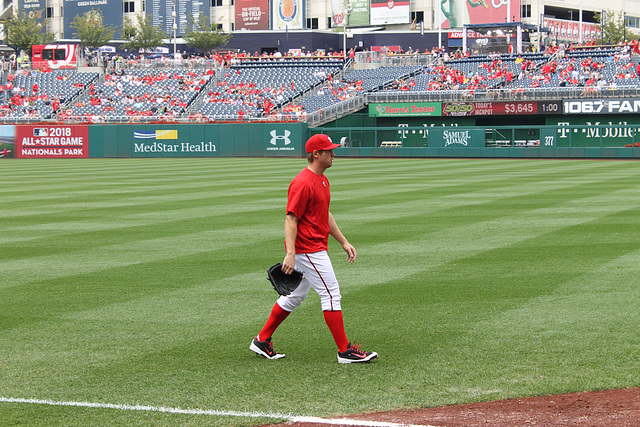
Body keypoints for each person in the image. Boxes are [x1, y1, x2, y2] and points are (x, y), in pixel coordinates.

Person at [250, 134, 378, 364]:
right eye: (329, 151)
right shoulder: (302, 182)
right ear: (316, 154)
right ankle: (344, 351)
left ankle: (262, 339)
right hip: (308, 249)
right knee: (331, 294)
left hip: (313, 247)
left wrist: (343, 241)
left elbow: (324, 214)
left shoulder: (322, 180)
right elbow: (291, 219)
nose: (333, 154)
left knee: (295, 295)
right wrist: (290, 253)